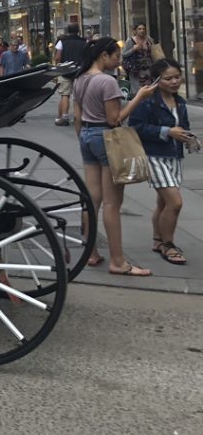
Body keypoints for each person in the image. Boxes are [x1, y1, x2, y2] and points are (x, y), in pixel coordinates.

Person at [72, 37, 156, 276]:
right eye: (116, 56)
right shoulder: (106, 82)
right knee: (112, 203)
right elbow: (114, 118)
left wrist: (84, 139)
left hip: (86, 134)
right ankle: (118, 261)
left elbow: (77, 117)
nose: (119, 61)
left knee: (92, 198)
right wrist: (139, 97)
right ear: (104, 56)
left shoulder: (80, 79)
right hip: (106, 136)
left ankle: (91, 252)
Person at [130, 59, 196, 266]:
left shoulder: (181, 102)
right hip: (154, 156)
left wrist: (190, 138)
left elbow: (183, 126)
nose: (175, 82)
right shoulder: (147, 101)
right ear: (158, 80)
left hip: (174, 156)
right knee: (175, 203)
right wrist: (167, 131)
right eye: (168, 78)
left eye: (177, 77)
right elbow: (135, 127)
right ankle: (169, 245)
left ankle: (157, 240)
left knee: (163, 202)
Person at [54, 24, 88, 125]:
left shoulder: (62, 42)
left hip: (65, 71)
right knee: (79, 96)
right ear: (78, 31)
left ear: (67, 31)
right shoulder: (84, 42)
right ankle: (79, 117)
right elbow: (87, 55)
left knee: (65, 95)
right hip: (79, 71)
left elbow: (57, 57)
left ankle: (64, 117)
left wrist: (58, 67)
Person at [122, 21, 159, 93]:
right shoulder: (130, 41)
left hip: (149, 69)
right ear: (135, 30)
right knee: (138, 91)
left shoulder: (149, 40)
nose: (142, 30)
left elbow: (154, 52)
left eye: (143, 29)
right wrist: (133, 49)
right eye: (139, 29)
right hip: (136, 70)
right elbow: (124, 54)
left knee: (149, 89)